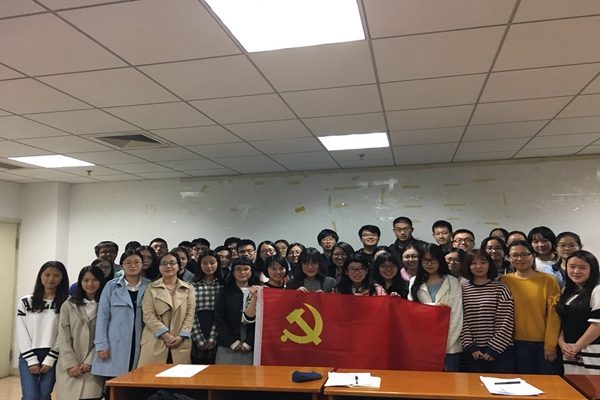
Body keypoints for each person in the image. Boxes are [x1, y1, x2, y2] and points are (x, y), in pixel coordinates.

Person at [499, 240, 561, 374]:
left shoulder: (548, 280)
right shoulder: (504, 281)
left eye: (524, 254)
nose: (519, 259)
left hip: (543, 344)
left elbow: (554, 314)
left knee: (548, 383)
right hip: (514, 343)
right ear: (508, 258)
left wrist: (550, 345)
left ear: (533, 255)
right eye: (514, 255)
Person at [92, 250, 150, 383]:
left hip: (140, 339)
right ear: (122, 265)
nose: (133, 265)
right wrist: (101, 345)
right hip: (116, 342)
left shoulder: (149, 286)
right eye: (128, 262)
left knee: (137, 382)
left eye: (137, 262)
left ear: (142, 264)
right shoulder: (111, 286)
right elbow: (102, 317)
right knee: (115, 383)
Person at [17, 261, 69, 400]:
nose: (51, 279)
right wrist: (31, 359)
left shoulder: (67, 303)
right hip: (29, 353)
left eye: (56, 275)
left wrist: (51, 358)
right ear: (40, 276)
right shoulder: (26, 301)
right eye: (47, 275)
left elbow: (64, 333)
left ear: (62, 278)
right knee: (30, 396)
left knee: (44, 395)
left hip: (54, 354)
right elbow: (22, 330)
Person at [408, 243, 463, 372]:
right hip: (423, 344)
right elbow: (412, 311)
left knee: (450, 382)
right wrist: (434, 307)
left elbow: (456, 316)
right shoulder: (414, 282)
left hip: (450, 346)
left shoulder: (452, 282)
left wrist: (443, 346)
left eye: (433, 259)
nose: (429, 264)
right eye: (425, 260)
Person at [460, 250, 514, 373]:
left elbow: (506, 321)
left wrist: (494, 348)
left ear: (489, 265)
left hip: (501, 350)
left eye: (483, 262)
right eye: (473, 263)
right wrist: (471, 347)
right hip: (473, 351)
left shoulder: (501, 288)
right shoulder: (462, 289)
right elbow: (461, 320)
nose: (478, 266)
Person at [138, 251, 196, 367]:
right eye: (164, 263)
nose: (168, 266)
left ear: (178, 266)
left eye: (172, 263)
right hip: (156, 339)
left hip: (180, 341)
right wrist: (166, 335)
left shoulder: (188, 288)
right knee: (152, 376)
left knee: (179, 376)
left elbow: (190, 315)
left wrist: (181, 336)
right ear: (159, 267)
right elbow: (148, 315)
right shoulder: (151, 287)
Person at [56, 266, 105, 400]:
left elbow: (105, 336)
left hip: (94, 365)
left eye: (94, 280)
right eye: (85, 280)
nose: (90, 284)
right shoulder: (68, 305)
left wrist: (90, 361)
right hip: (69, 365)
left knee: (91, 395)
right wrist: (71, 363)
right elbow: (63, 336)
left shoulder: (106, 305)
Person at [557, 250, 600, 374]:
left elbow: (597, 324)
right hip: (569, 351)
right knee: (572, 384)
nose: (576, 271)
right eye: (572, 267)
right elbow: (562, 321)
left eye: (582, 268)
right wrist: (561, 343)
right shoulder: (566, 292)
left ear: (592, 270)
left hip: (591, 351)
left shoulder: (597, 290)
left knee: (592, 386)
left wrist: (576, 347)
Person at [214, 258, 260, 365]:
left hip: (251, 345)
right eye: (238, 269)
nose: (242, 272)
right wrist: (232, 342)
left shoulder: (258, 291)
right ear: (233, 271)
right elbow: (219, 319)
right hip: (227, 344)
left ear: (251, 271)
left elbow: (261, 321)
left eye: (246, 269)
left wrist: (249, 342)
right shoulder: (224, 292)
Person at [191, 250, 225, 365]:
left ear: (218, 263)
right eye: (204, 263)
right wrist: (199, 338)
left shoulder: (223, 285)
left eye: (212, 262)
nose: (209, 266)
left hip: (218, 328)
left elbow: (222, 314)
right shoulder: (191, 285)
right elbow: (190, 313)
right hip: (196, 327)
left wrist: (212, 338)